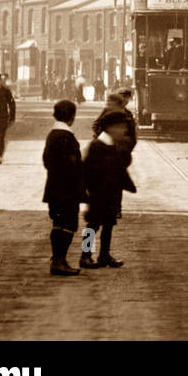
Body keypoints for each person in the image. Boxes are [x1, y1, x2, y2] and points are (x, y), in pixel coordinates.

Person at [82, 109, 135, 269]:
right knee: (93, 225)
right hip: (98, 194)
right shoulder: (97, 145)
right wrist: (89, 193)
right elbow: (87, 171)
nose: (124, 130)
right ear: (110, 128)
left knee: (109, 224)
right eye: (121, 127)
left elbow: (121, 165)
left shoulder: (114, 145)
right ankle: (85, 256)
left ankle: (104, 254)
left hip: (112, 193)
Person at [42, 99, 86, 276]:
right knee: (69, 224)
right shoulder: (66, 136)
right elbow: (73, 165)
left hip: (54, 188)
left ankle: (58, 259)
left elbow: (46, 160)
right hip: (68, 189)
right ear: (72, 117)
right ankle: (63, 260)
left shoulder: (53, 134)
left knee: (58, 223)